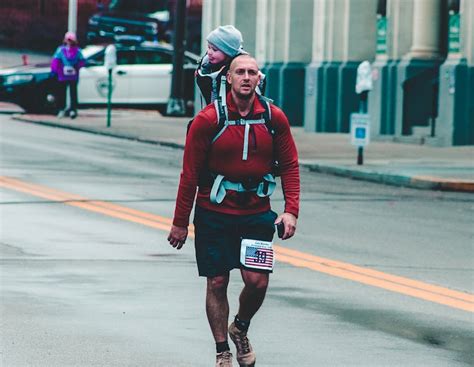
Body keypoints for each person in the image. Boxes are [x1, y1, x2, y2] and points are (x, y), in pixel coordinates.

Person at [168, 54, 300, 367]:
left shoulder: (273, 117)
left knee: (258, 282)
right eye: (239, 71)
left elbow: (291, 165)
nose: (245, 77)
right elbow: (189, 174)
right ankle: (222, 351)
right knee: (217, 282)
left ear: (259, 79)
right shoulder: (208, 119)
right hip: (213, 213)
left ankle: (239, 328)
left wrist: (291, 210)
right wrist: (180, 223)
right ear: (228, 77)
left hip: (256, 213)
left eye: (251, 72)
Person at [196, 25, 266, 110]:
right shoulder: (208, 66)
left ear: (228, 52)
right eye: (209, 47)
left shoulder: (237, 68)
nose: (209, 52)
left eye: (215, 50)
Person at [51, 31, 85, 119]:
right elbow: (55, 60)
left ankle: (73, 109)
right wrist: (55, 70)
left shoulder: (78, 51)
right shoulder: (61, 50)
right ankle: (61, 109)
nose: (69, 42)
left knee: (73, 92)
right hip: (62, 75)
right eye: (68, 40)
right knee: (61, 92)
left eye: (71, 40)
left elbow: (82, 61)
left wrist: (77, 66)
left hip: (73, 75)